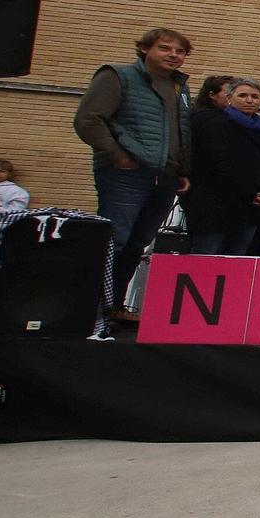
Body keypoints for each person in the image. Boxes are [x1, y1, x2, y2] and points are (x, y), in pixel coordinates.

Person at [71, 26, 194, 320]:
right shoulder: (117, 75)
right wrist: (118, 155)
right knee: (115, 239)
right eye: (165, 48)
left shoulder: (180, 87)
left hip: (164, 176)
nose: (173, 55)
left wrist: (183, 169)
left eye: (179, 51)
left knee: (138, 243)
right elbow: (88, 120)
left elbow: (181, 131)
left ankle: (111, 306)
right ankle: (88, 308)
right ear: (144, 49)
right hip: (126, 174)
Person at [184, 77, 260, 255]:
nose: (249, 100)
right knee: (205, 260)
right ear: (230, 98)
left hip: (248, 211)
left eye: (255, 96)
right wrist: (248, 192)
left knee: (235, 262)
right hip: (214, 208)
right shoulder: (214, 122)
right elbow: (219, 163)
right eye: (243, 95)